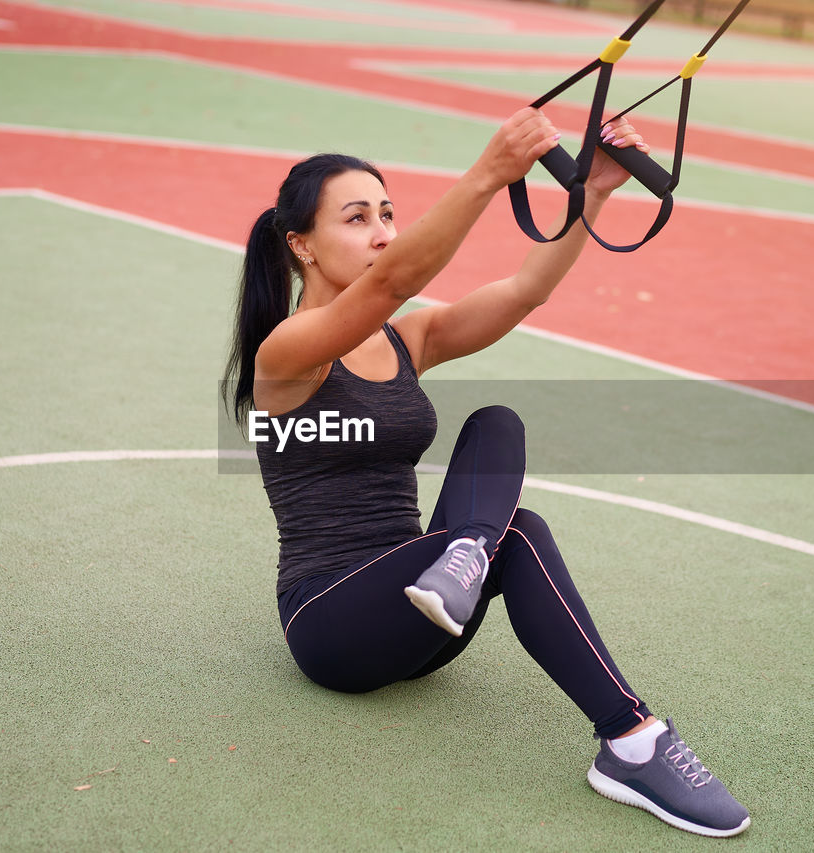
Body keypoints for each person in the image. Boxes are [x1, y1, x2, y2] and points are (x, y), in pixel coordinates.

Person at [223, 108, 751, 838]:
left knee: (496, 424)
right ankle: (632, 738)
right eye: (356, 218)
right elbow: (392, 281)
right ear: (300, 244)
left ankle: (467, 558)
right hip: (332, 623)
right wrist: (488, 174)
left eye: (387, 213)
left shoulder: (407, 337)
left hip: (429, 611)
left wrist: (592, 192)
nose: (382, 232)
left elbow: (524, 291)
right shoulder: (287, 353)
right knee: (520, 531)